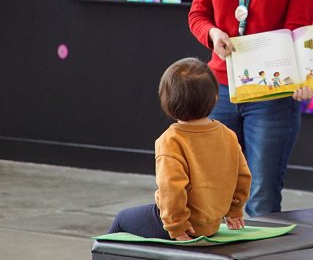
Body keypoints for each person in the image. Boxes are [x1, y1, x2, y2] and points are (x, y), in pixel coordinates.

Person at [188, 0, 313, 216]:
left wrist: (301, 76)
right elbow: (198, 14)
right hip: (219, 91)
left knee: (261, 196)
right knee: (213, 190)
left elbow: (298, 27)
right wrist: (212, 34)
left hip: (271, 96)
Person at [107, 58, 251, 239]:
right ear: (215, 97)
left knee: (121, 219)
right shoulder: (228, 135)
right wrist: (234, 210)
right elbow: (242, 177)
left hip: (183, 227)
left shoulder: (171, 140)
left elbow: (171, 189)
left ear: (167, 102)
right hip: (211, 225)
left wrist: (177, 226)